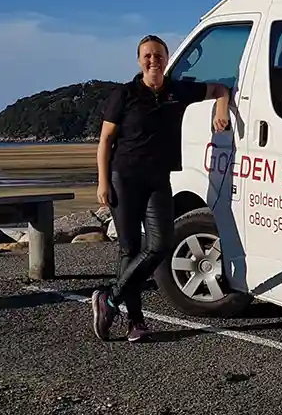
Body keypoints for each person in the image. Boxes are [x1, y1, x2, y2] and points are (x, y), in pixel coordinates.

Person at [91, 34, 230, 342]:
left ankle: (109, 300)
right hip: (123, 179)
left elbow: (221, 89)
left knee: (160, 244)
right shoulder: (125, 94)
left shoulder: (179, 90)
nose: (153, 60)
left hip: (158, 179)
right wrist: (102, 182)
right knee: (129, 249)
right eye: (147, 56)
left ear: (167, 59)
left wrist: (222, 110)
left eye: (159, 55)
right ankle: (135, 322)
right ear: (140, 60)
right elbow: (105, 141)